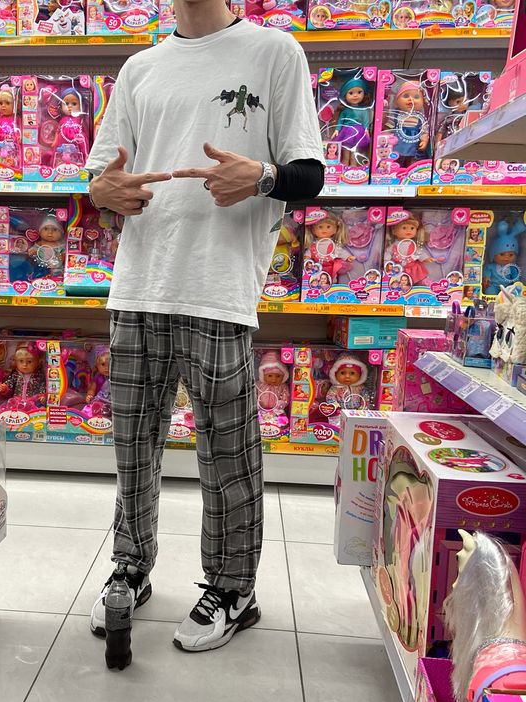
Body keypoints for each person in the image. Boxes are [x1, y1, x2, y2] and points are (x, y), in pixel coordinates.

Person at [86, 0, 324, 653]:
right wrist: (100, 193)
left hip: (218, 289)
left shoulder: (276, 53)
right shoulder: (139, 68)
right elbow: (100, 175)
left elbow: (309, 175)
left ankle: (233, 588)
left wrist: (263, 176)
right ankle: (131, 569)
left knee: (228, 455)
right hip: (137, 285)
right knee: (133, 447)